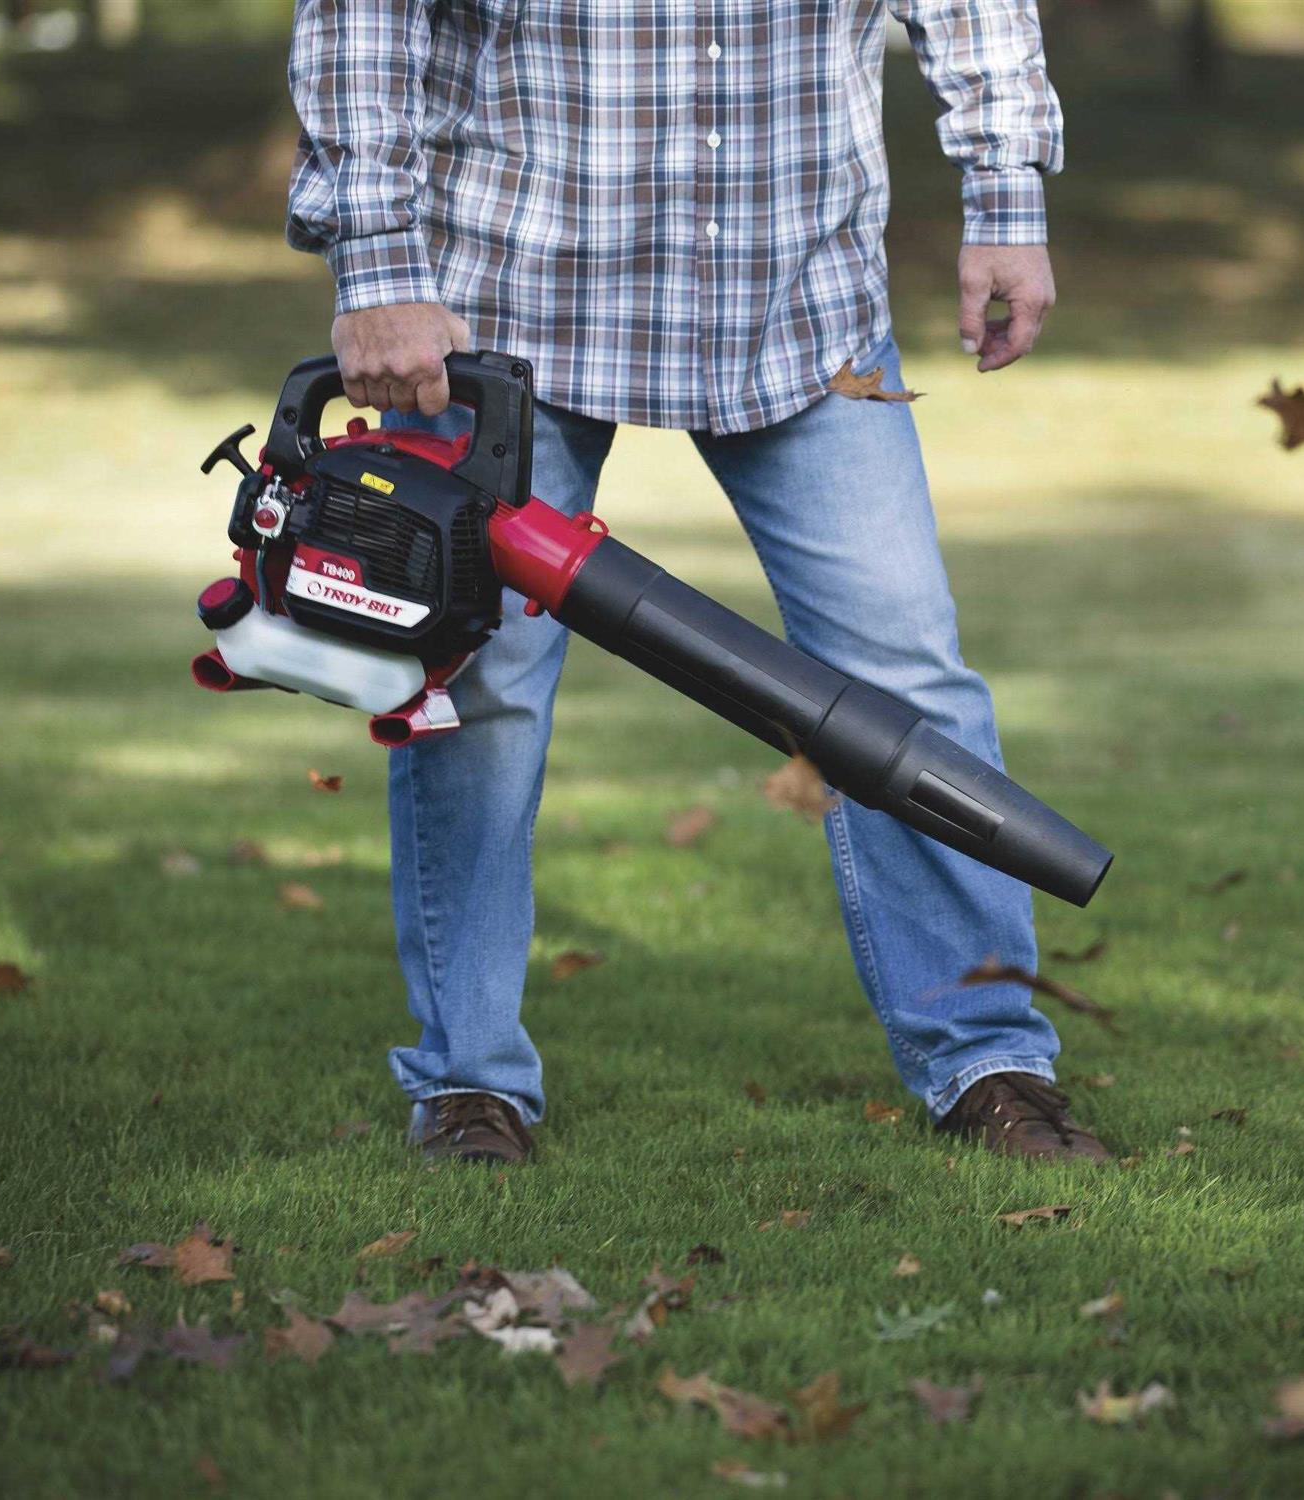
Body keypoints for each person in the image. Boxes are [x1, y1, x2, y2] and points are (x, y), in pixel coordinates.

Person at [286, 0, 1110, 1166]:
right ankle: (469, 1081)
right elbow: (369, 18)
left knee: (904, 671)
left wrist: (1006, 195)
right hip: (513, 298)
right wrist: (376, 259)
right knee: (483, 690)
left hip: (802, 300)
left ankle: (990, 1059)